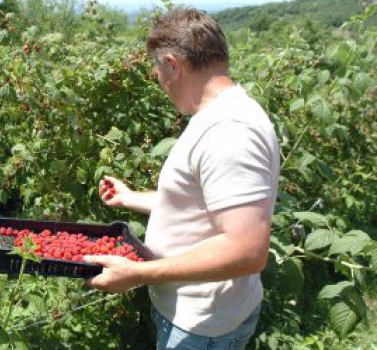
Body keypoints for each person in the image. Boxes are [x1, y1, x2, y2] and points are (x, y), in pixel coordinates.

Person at [82, 7, 280, 350]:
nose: (159, 82)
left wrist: (137, 274)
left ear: (173, 65)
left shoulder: (229, 133)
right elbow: (203, 205)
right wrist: (131, 198)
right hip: (195, 315)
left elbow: (247, 250)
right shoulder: (220, 114)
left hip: (203, 326)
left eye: (158, 72)